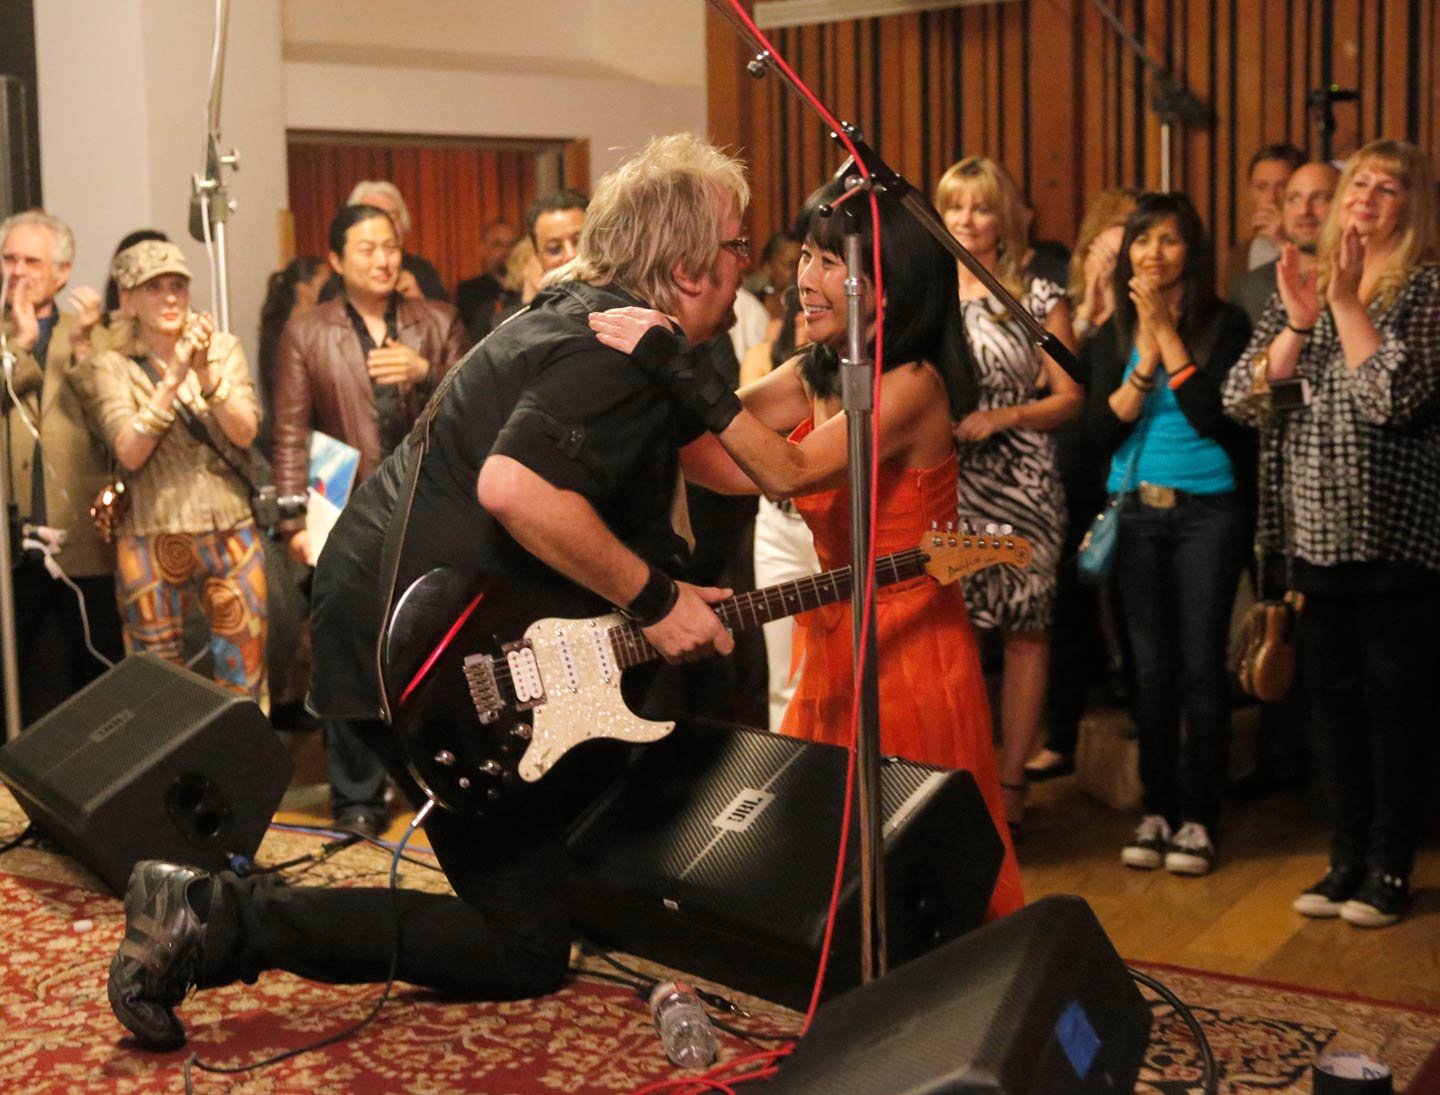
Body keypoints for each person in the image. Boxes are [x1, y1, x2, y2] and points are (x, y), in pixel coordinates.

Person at [106, 133, 742, 1052]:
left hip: (395, 618)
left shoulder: (576, 316)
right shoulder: (611, 354)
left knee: (584, 796)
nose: (744, 259)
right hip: (415, 647)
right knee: (523, 946)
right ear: (684, 266)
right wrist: (655, 598)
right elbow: (515, 491)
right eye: (733, 243)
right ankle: (213, 914)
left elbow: (735, 455)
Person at [591, 174, 1025, 921]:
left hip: (908, 642)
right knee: (828, 833)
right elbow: (720, 455)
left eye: (830, 263)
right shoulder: (817, 370)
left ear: (884, 289)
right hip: (835, 628)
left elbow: (786, 466)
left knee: (911, 848)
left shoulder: (912, 384)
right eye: (807, 257)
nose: (806, 280)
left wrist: (677, 365)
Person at [1223, 139, 1440, 927]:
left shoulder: (1426, 291)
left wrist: (1346, 307)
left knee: (1395, 708)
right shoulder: (1300, 283)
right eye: (1361, 183)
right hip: (1311, 534)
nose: (1367, 197)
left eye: (1389, 187)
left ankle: (1390, 864)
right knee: (1333, 707)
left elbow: (1394, 400)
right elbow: (1243, 398)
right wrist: (1300, 323)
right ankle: (1344, 857)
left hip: (1394, 540)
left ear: (1411, 206)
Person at [272, 204, 469, 835]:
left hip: (433, 509)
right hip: (346, 514)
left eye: (390, 246)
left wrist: (426, 371)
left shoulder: (436, 321)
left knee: (432, 650)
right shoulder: (308, 330)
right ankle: (355, 795)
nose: (383, 259)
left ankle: (432, 778)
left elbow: (480, 402)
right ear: (335, 259)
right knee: (346, 648)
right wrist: (292, 521)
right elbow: (290, 434)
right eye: (366, 248)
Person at [1084, 193, 1252, 876]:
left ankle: (1198, 818)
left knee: (1200, 667)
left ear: (1193, 251)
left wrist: (1169, 334)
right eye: (1143, 240)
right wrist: (1145, 351)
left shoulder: (1227, 323)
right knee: (1148, 671)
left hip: (1208, 511)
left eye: (1170, 240)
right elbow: (1101, 428)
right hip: (1138, 513)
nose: (1154, 252)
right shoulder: (1111, 333)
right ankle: (1155, 809)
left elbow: (1215, 416)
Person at [933, 156, 1083, 832]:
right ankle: (960, 778)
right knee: (953, 629)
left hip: (1022, 480)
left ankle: (1015, 782)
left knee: (1025, 631)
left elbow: (1072, 394)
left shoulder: (1038, 291)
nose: (966, 219)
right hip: (947, 480)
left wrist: (1005, 415)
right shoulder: (922, 291)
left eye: (980, 206)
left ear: (1006, 218)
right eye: (954, 205)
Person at [72, 240, 266, 698]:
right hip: (149, 532)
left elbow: (245, 432)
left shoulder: (221, 349)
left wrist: (205, 376)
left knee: (244, 670)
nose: (170, 297)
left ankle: (241, 766)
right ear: (128, 299)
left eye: (178, 285)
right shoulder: (110, 365)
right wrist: (174, 374)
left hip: (229, 529)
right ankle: (169, 769)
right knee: (155, 684)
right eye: (153, 287)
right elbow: (129, 450)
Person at [1028, 187, 1139, 783]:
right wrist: (1091, 308)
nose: (1117, 264)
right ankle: (1062, 733)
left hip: (1121, 473)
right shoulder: (1067, 308)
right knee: (1065, 607)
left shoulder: (1145, 316)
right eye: (1109, 249)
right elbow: (1065, 383)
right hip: (1066, 473)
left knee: (1126, 606)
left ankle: (1133, 713)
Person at [1, 210, 124, 723]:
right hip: (11, 540)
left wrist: (80, 349)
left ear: (63, 272)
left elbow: (110, 420)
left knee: (96, 673)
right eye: (9, 258)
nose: (18, 271)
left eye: (32, 260)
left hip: (83, 535)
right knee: (23, 678)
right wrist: (20, 345)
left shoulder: (98, 335)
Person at [1230, 162, 1341, 326]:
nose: (1304, 210)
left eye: (1319, 198)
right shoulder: (1250, 287)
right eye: (1294, 199)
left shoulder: (1368, 280)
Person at [255, 255, 327, 456]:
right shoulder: (296, 327)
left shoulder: (282, 322)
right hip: (301, 431)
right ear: (304, 287)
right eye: (325, 278)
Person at [344, 180, 448, 302]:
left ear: (404, 224)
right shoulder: (340, 279)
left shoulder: (422, 271)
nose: (385, 226)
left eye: (391, 217)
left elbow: (444, 317)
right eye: (372, 218)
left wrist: (418, 301)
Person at [1224, 143, 1305, 288]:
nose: (1271, 198)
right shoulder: (1240, 255)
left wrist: (1283, 242)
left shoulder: (1317, 247)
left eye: (1282, 187)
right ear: (1251, 193)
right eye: (1261, 187)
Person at [455, 218, 521, 341]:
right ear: (483, 249)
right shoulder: (469, 291)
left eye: (512, 244)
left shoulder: (526, 288)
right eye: (497, 245)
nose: (506, 251)